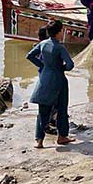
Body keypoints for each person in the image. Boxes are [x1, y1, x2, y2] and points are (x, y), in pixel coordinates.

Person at [27, 20, 75, 148]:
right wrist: (60, 68)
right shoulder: (60, 47)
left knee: (43, 111)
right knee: (62, 108)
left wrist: (43, 65)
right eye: (61, 31)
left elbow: (30, 56)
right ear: (59, 32)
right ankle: (62, 136)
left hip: (44, 79)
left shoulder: (42, 44)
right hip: (59, 80)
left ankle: (39, 140)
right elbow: (70, 65)